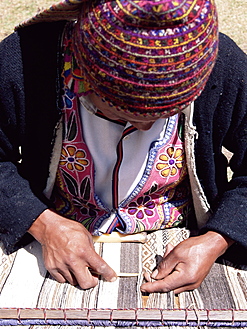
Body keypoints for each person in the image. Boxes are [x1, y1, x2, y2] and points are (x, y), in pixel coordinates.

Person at [0, 0, 246, 294]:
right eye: (117, 115)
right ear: (81, 74)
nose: (143, 128)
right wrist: (43, 224)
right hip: (53, 237)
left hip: (182, 236)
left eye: (163, 116)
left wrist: (217, 239)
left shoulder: (219, 63)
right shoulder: (26, 60)